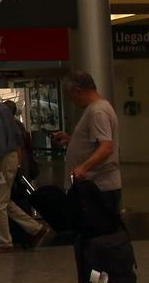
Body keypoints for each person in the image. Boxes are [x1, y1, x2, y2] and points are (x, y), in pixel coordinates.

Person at [0, 82, 48, 255]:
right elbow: (17, 136)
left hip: (3, 159)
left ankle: (5, 243)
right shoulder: (5, 111)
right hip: (11, 157)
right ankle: (35, 228)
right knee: (4, 201)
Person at [52, 71, 122, 218]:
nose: (72, 102)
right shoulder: (98, 108)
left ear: (77, 91)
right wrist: (72, 140)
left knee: (97, 232)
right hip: (94, 186)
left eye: (71, 97)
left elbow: (106, 147)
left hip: (98, 187)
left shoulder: (97, 111)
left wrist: (83, 167)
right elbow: (95, 143)